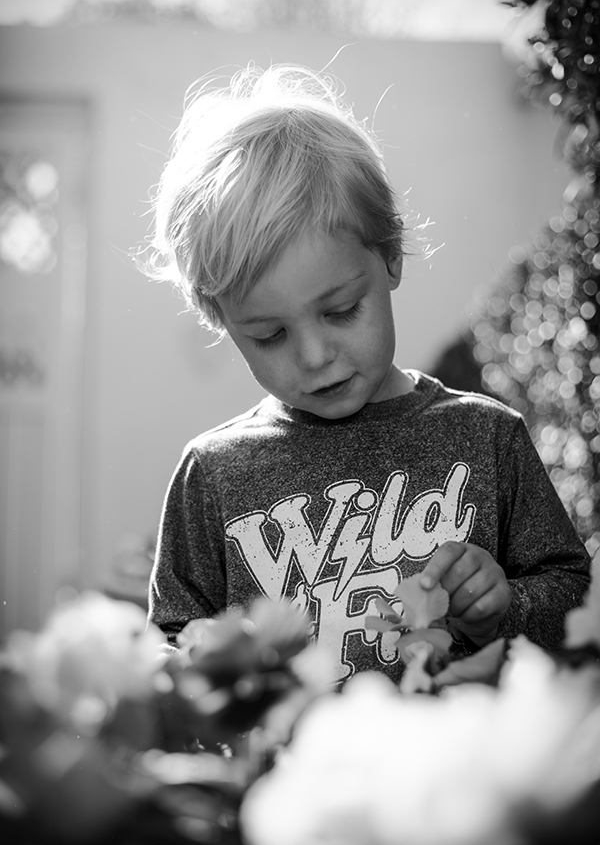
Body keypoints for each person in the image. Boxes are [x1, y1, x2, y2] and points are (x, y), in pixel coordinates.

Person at [141, 63, 590, 684]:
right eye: (269, 334)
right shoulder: (213, 475)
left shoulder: (487, 438)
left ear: (390, 257)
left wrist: (506, 607)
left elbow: (574, 599)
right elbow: (170, 647)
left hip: (455, 774)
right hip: (293, 779)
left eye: (341, 310)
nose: (314, 355)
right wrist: (196, 663)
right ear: (220, 318)